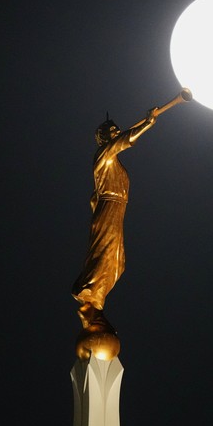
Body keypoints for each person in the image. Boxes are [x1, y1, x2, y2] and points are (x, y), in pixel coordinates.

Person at [71, 108, 158, 331]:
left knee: (117, 263)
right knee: (107, 257)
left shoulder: (110, 162)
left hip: (113, 210)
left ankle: (94, 302)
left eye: (117, 129)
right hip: (110, 207)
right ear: (104, 138)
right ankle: (90, 301)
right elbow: (125, 140)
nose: (117, 131)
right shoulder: (104, 155)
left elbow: (93, 198)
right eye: (112, 130)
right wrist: (147, 123)